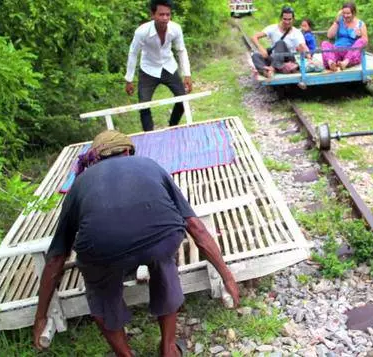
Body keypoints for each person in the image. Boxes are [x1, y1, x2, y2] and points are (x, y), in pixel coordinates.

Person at [32, 131, 240, 357]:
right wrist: (227, 276)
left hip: (104, 250)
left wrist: (41, 316)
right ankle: (169, 349)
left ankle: (125, 355)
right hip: (160, 240)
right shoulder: (150, 165)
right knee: (165, 262)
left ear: (96, 158)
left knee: (101, 289)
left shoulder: (80, 183)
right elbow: (195, 226)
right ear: (127, 151)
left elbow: (56, 257)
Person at [125, 0, 193, 132]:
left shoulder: (175, 29)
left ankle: (172, 128)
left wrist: (187, 74)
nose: (165, 18)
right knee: (144, 106)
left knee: (182, 99)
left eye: (168, 14)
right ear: (152, 15)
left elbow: (181, 50)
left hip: (169, 66)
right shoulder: (142, 32)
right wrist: (129, 79)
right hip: (148, 69)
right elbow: (133, 53)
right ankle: (150, 134)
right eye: (161, 15)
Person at [250, 6, 310, 78]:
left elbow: (303, 46)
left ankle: (273, 68)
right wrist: (261, 48)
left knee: (280, 43)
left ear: (293, 19)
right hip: (275, 59)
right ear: (281, 18)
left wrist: (309, 58)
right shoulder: (272, 28)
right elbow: (254, 37)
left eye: (289, 19)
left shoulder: (296, 32)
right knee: (255, 55)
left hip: (288, 60)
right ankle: (266, 71)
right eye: (285, 19)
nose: (287, 22)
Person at [322, 2, 369, 71]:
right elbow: (329, 35)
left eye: (348, 13)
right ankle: (331, 63)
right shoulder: (339, 21)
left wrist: (359, 36)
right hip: (337, 50)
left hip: (351, 53)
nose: (345, 15)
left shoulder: (360, 24)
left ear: (354, 13)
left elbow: (365, 41)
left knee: (362, 40)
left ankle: (345, 63)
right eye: (344, 13)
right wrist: (336, 21)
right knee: (324, 43)